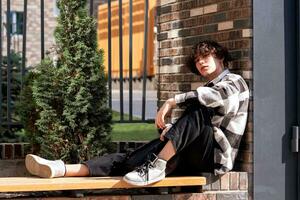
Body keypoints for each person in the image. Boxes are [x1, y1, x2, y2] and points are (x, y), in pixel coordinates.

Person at [25, 40, 249, 186]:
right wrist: (174, 131)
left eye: (205, 57)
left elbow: (213, 101)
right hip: (191, 152)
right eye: (197, 60)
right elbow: (195, 121)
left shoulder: (235, 82)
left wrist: (171, 101)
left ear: (220, 57)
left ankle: (157, 166)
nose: (200, 62)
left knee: (199, 108)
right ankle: (62, 169)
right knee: (130, 158)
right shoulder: (207, 88)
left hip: (214, 159)